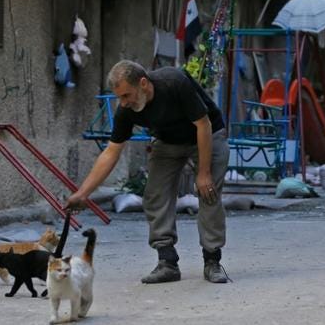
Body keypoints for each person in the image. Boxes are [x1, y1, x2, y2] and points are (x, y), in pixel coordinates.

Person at [65, 60, 230, 284]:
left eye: (126, 95)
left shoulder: (174, 82)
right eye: (119, 97)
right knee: (154, 195)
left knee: (207, 192)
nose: (123, 103)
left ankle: (212, 261)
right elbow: (111, 152)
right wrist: (83, 193)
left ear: (143, 83)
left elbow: (203, 124)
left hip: (207, 134)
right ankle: (167, 262)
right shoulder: (127, 110)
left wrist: (203, 174)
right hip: (167, 141)